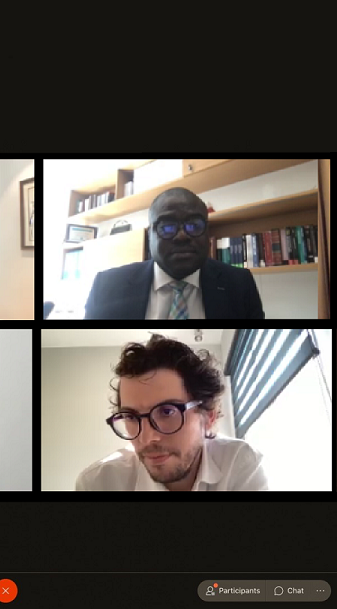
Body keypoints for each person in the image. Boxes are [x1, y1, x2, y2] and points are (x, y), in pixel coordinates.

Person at [76, 335, 268, 491]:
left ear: (209, 416)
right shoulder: (99, 484)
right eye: (131, 417)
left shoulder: (239, 463)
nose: (147, 438)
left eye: (167, 411)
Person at [84, 187, 265, 319]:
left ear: (207, 232)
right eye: (167, 226)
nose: (182, 236)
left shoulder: (240, 285)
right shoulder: (106, 287)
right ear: (150, 234)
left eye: (194, 225)